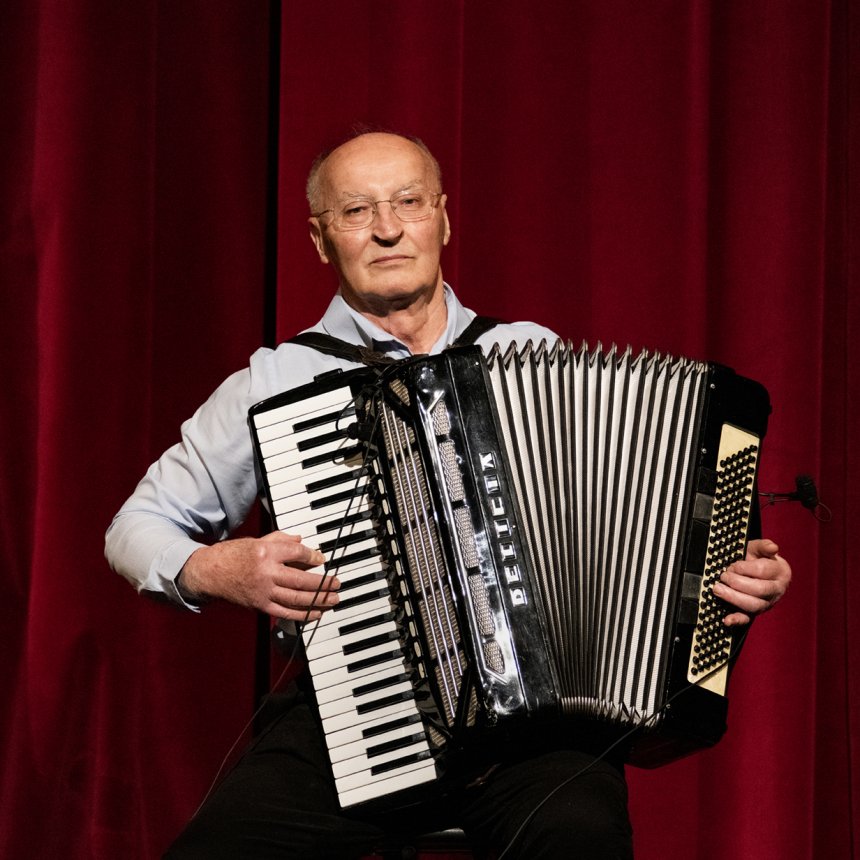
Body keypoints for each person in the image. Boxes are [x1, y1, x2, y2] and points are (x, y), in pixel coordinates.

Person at [105, 131, 792, 859]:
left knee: (580, 838)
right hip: (352, 716)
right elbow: (135, 527)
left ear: (443, 218)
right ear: (319, 239)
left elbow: (629, 527)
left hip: (537, 738)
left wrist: (731, 571)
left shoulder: (529, 352)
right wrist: (217, 568)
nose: (388, 228)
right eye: (356, 211)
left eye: (408, 202)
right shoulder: (274, 381)